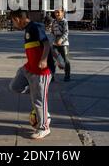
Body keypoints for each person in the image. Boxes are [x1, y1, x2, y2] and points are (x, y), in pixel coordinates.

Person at [9, 10, 52, 140]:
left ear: (17, 19)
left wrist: (44, 60)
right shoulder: (28, 29)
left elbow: (46, 44)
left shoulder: (35, 27)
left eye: (12, 21)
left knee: (38, 100)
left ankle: (44, 127)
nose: (13, 24)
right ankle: (43, 108)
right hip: (28, 68)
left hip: (40, 72)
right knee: (14, 86)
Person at [51, 8, 72, 82]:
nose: (57, 14)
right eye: (55, 12)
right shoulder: (53, 22)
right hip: (55, 43)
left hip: (63, 44)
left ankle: (67, 75)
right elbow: (52, 32)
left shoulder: (65, 22)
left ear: (62, 13)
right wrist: (54, 40)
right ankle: (51, 76)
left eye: (58, 12)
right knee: (52, 60)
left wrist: (61, 40)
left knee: (66, 60)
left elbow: (66, 32)